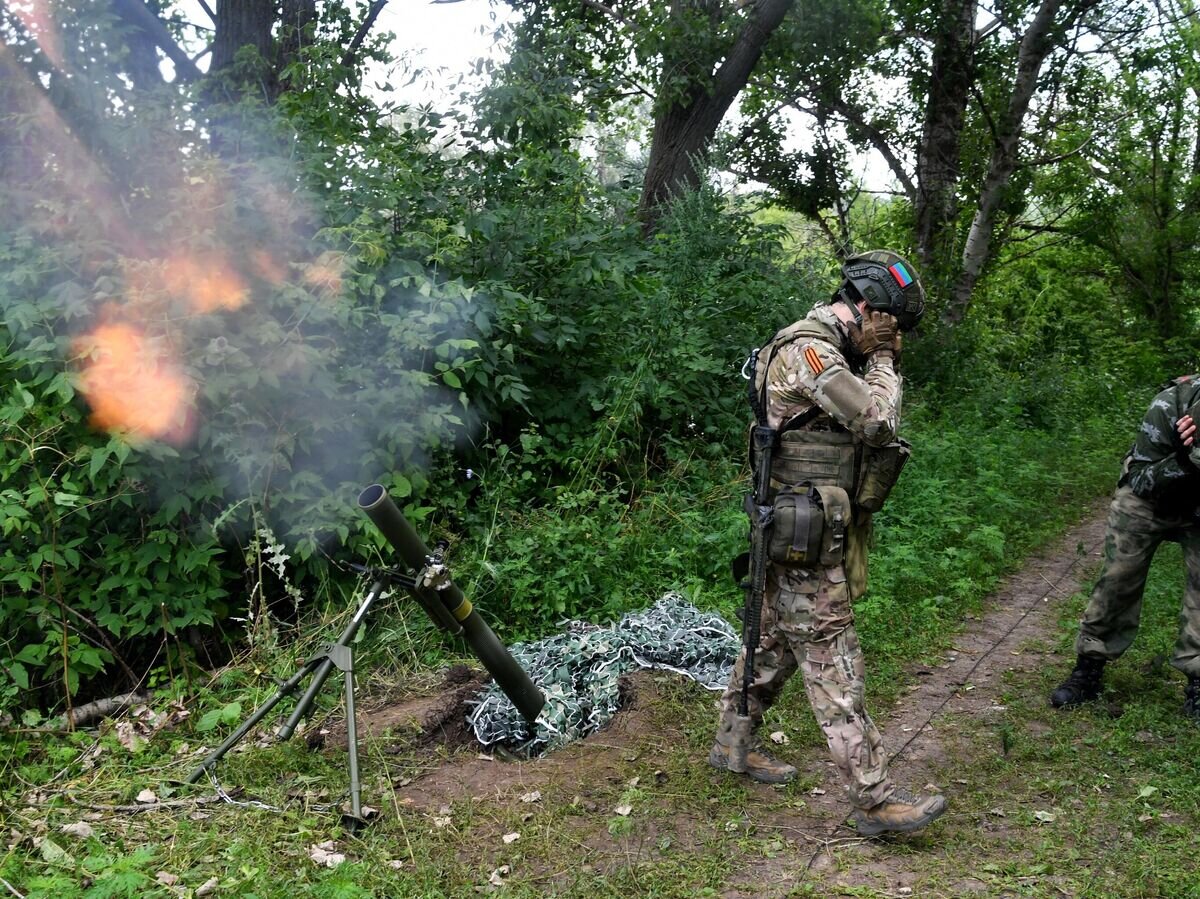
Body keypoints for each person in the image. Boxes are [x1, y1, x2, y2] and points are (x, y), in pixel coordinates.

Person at [708, 250, 948, 836]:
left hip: (801, 523)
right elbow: (876, 422)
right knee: (832, 660)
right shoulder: (811, 351)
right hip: (803, 531)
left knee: (770, 642)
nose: (892, 336)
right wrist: (886, 361)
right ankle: (875, 801)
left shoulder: (824, 347)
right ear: (869, 308)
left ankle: (730, 746)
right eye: (890, 324)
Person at [1050, 375, 1200, 719]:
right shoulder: (1168, 406)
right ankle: (1089, 666)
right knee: (1119, 577)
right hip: (1148, 496)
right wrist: (1184, 458)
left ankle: (1198, 680)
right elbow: (1143, 479)